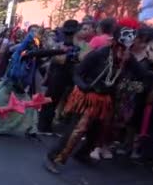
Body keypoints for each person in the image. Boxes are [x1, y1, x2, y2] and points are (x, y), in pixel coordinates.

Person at [45, 19, 144, 173]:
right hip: (88, 97)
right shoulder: (101, 53)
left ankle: (83, 154)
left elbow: (142, 74)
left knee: (98, 131)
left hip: (106, 100)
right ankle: (53, 157)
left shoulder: (127, 58)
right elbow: (78, 72)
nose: (127, 46)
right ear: (117, 38)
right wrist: (84, 86)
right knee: (78, 129)